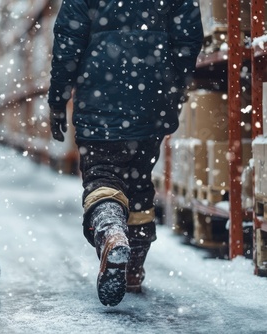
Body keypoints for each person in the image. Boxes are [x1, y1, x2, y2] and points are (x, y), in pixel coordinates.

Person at [47, 0, 203, 306]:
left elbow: (68, 37)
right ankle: (132, 270)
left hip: (98, 98)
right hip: (152, 97)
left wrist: (57, 99)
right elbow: (189, 35)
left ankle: (112, 235)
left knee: (102, 176)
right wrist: (175, 84)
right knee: (138, 181)